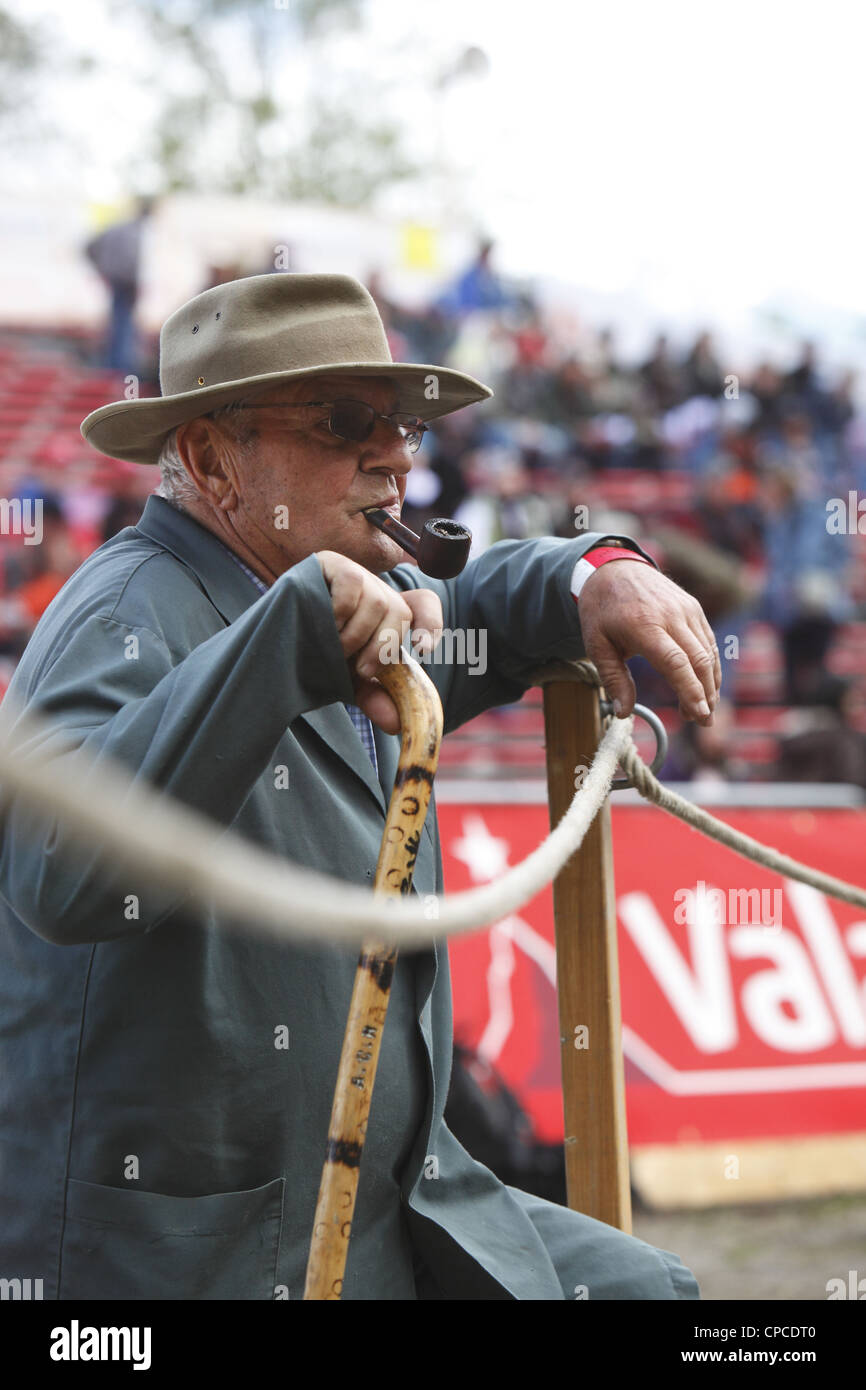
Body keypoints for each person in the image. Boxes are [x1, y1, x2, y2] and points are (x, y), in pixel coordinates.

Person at [0, 272, 719, 1301]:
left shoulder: (346, 587)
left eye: (401, 425)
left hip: (386, 1212)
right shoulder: (122, 612)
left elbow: (482, 598)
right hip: (195, 1264)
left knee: (655, 1295)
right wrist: (286, 638)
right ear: (211, 457)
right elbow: (59, 871)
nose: (392, 452)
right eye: (344, 420)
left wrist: (594, 570)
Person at [83, 195, 157, 371]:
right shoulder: (133, 232)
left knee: (119, 322)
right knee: (123, 323)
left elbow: (90, 247)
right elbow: (130, 262)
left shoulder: (119, 228)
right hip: (124, 282)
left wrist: (102, 269)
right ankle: (120, 367)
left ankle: (116, 364)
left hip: (119, 280)